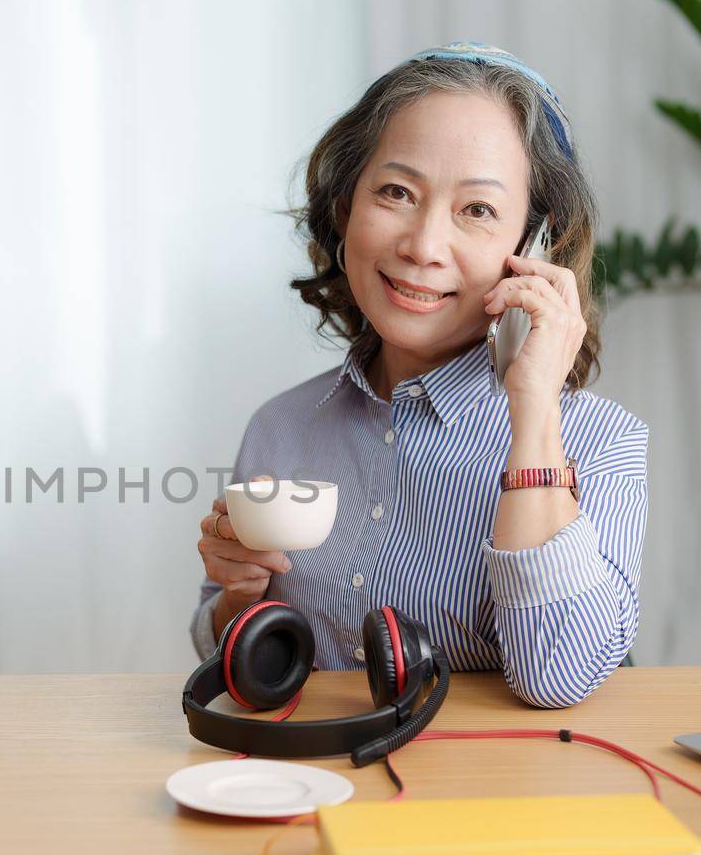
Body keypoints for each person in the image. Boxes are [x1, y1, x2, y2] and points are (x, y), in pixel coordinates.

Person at [190, 43, 646, 709]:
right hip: (313, 787)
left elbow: (559, 678)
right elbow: (225, 647)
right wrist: (237, 597)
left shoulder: (603, 442)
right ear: (346, 209)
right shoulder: (281, 426)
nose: (424, 246)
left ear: (531, 249)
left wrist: (535, 413)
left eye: (477, 210)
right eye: (396, 192)